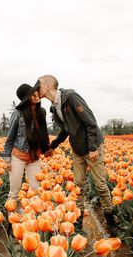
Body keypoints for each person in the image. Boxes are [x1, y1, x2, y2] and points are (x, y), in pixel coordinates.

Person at [37, 74, 117, 233]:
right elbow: (64, 131)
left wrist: (93, 147)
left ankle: (111, 221)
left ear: (47, 87)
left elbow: (90, 121)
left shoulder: (71, 97)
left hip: (91, 148)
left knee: (100, 184)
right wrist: (52, 146)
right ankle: (78, 220)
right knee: (77, 185)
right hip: (78, 150)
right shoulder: (54, 107)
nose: (36, 88)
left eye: (38, 85)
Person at [1, 82, 50, 208]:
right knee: (14, 192)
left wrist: (47, 148)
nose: (36, 95)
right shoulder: (18, 113)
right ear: (26, 99)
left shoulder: (42, 112)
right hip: (19, 156)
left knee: (36, 189)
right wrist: (7, 160)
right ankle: (12, 223)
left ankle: (31, 222)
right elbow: (10, 137)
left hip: (34, 156)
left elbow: (43, 132)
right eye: (31, 94)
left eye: (35, 92)